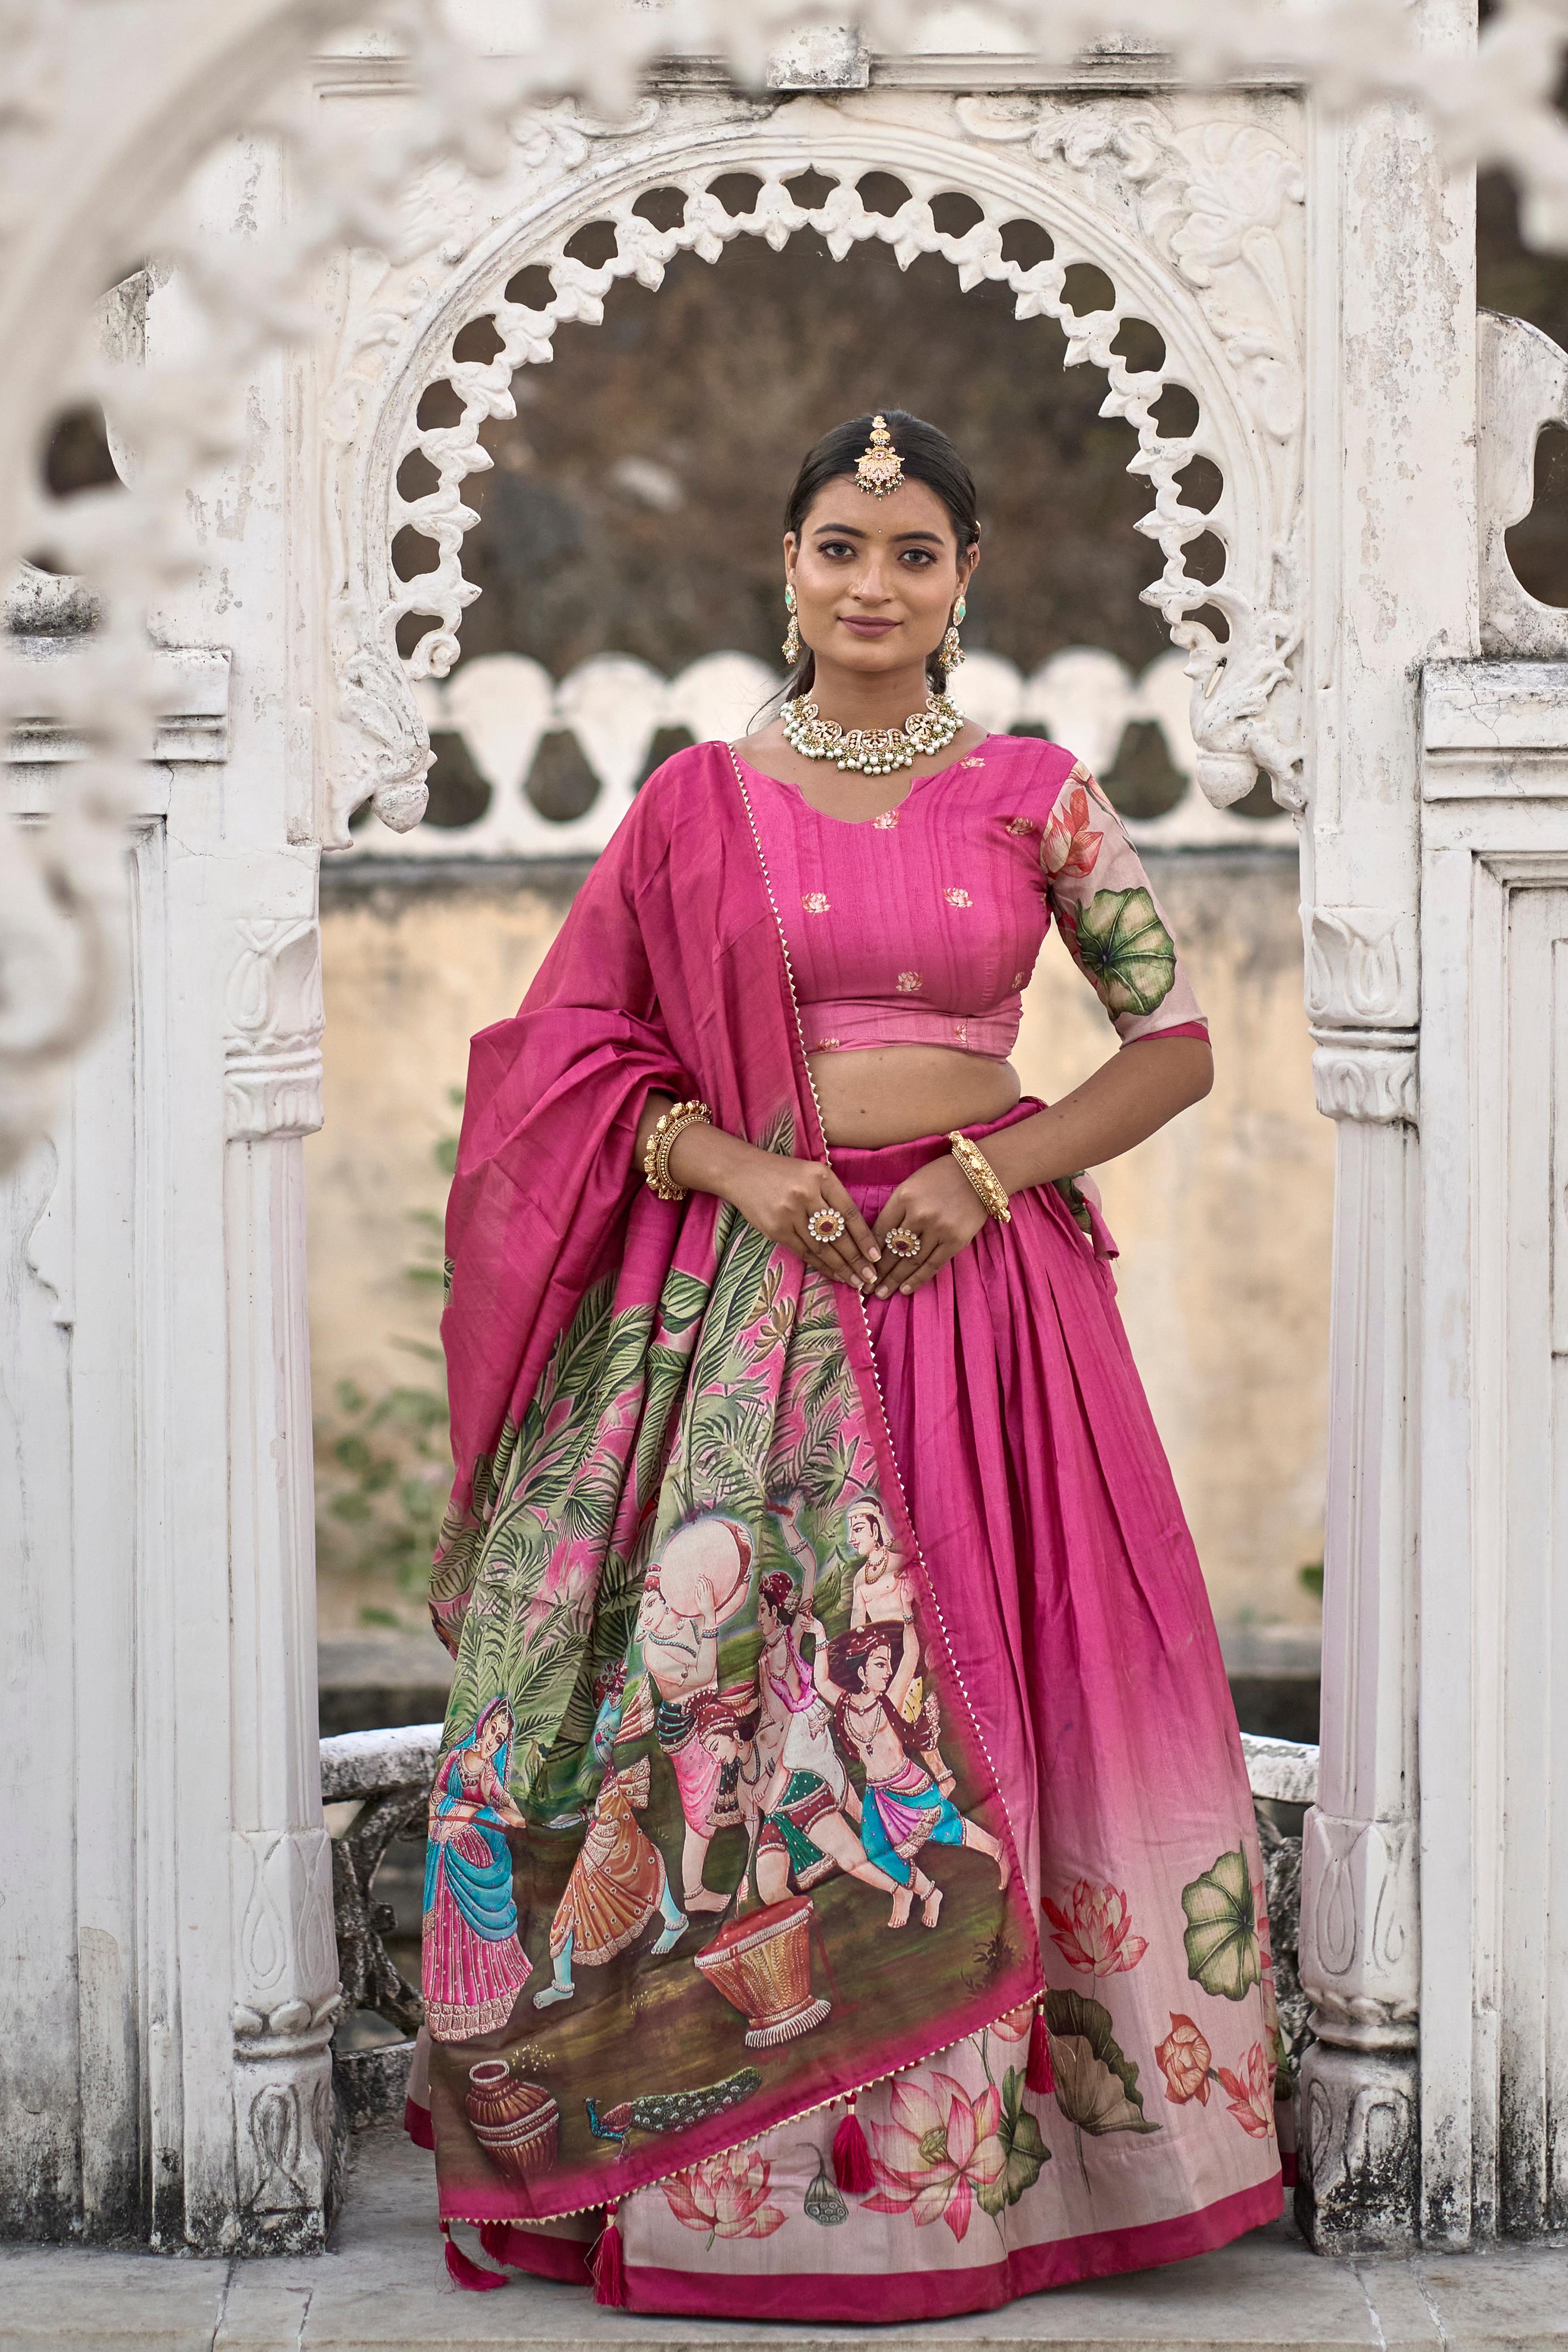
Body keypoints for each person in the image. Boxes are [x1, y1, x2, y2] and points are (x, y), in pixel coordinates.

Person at [412, 410, 1282, 2318]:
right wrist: (747, 1171)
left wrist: (985, 1175)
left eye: (910, 550)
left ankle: (1010, 2172)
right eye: (836, 546)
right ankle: (735, 2172)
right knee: (739, 1724)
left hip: (988, 1303)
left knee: (1002, 1685)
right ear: (785, 567)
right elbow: (567, 1053)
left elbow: (1176, 1041)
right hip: (758, 1300)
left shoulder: (1040, 793)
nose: (871, 584)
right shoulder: (688, 806)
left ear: (967, 574)